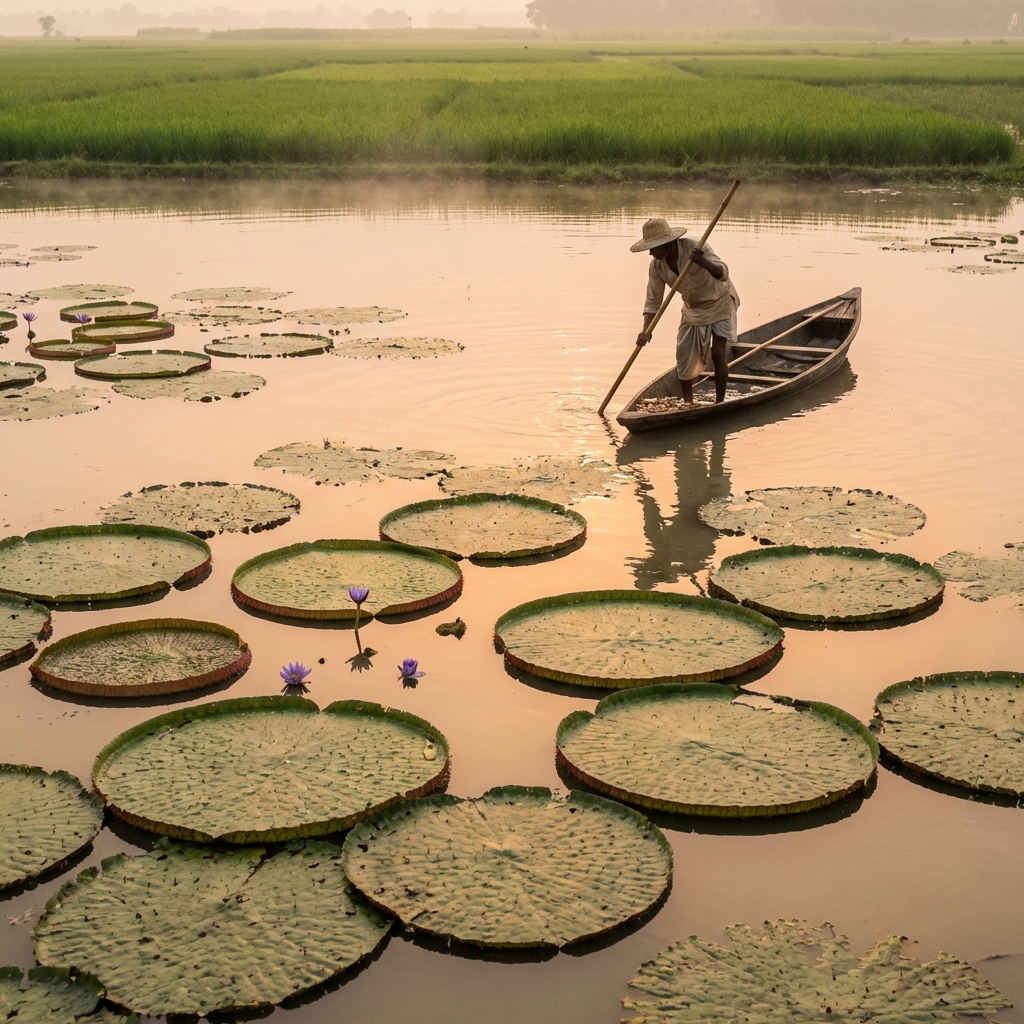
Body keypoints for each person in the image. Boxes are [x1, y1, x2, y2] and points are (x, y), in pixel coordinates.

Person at [631, 217, 740, 405]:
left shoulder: (695, 247)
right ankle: (688, 403)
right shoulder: (657, 266)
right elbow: (653, 300)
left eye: (653, 248)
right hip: (693, 307)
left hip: (719, 300)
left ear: (667, 243)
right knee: (683, 354)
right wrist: (645, 330)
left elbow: (722, 273)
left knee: (718, 353)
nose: (650, 253)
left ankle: (719, 403)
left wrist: (701, 260)